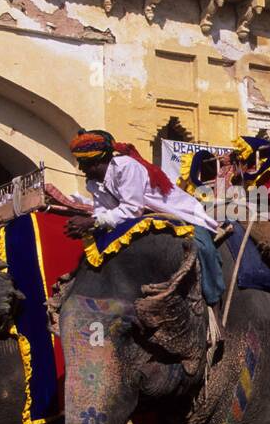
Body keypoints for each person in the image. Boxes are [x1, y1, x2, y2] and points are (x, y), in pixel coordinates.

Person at [50, 129, 225, 308]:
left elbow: (132, 208)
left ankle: (212, 298)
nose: (81, 169)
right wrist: (91, 224)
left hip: (177, 212)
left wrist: (92, 222)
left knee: (202, 247)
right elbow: (104, 212)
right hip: (140, 217)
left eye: (83, 163)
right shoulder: (93, 182)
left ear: (96, 162)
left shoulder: (125, 167)